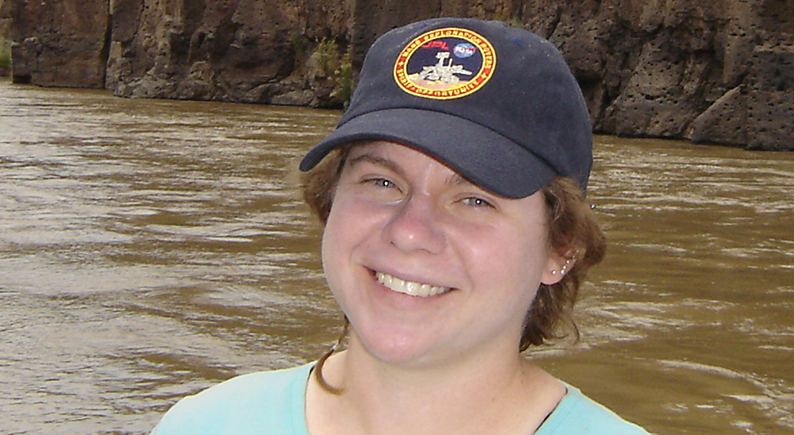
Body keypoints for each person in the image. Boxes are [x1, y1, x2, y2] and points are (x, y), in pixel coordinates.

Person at [151, 17, 652, 435]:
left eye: (476, 199)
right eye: (381, 182)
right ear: (330, 201)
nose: (410, 231)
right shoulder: (205, 424)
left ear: (560, 247)